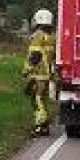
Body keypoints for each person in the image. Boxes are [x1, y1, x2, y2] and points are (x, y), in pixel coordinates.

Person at [23, 8, 58, 136]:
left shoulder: (37, 36)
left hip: (38, 73)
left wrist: (26, 70)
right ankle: (44, 126)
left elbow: (34, 56)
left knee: (37, 99)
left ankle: (39, 125)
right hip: (47, 73)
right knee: (42, 99)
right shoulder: (52, 37)